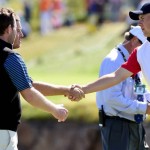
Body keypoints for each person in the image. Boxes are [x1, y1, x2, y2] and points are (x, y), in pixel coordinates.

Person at [0, 8, 84, 150]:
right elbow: (29, 92)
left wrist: (66, 90)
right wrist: (55, 109)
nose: (20, 34)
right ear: (9, 29)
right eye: (17, 29)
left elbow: (29, 85)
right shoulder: (10, 58)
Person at [96, 25, 148, 150]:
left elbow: (139, 89)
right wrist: (144, 108)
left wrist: (147, 100)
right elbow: (112, 99)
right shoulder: (113, 61)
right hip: (117, 127)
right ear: (135, 40)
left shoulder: (134, 60)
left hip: (135, 124)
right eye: (145, 45)